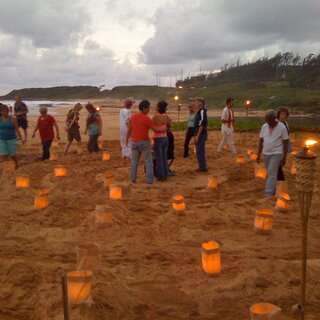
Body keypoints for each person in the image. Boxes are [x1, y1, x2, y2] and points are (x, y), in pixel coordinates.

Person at [126, 100, 165, 184]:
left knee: (134, 161)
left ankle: (133, 178)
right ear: (144, 108)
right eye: (148, 108)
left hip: (134, 142)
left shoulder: (133, 117)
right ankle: (149, 180)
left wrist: (127, 140)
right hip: (144, 142)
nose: (149, 110)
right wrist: (164, 129)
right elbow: (155, 130)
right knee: (148, 161)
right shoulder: (146, 118)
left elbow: (129, 130)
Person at [257, 110, 289, 197]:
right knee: (270, 172)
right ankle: (274, 188)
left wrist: (284, 157)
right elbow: (261, 141)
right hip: (266, 153)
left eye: (270, 121)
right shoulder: (264, 126)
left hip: (277, 153)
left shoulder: (282, 127)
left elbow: (286, 142)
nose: (268, 123)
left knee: (271, 172)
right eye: (267, 121)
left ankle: (268, 193)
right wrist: (258, 154)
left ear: (274, 119)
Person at [152, 100, 171, 181]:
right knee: (164, 158)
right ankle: (166, 174)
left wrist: (158, 130)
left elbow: (152, 126)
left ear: (158, 107)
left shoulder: (156, 116)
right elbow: (169, 125)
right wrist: (164, 130)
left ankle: (161, 176)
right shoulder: (166, 116)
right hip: (165, 137)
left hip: (158, 138)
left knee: (159, 158)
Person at [194, 97, 208, 172]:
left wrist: (198, 135)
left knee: (200, 151)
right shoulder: (198, 111)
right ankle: (202, 166)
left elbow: (202, 124)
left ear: (200, 103)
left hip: (201, 134)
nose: (195, 104)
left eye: (196, 102)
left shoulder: (202, 111)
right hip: (198, 134)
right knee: (199, 151)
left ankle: (202, 167)